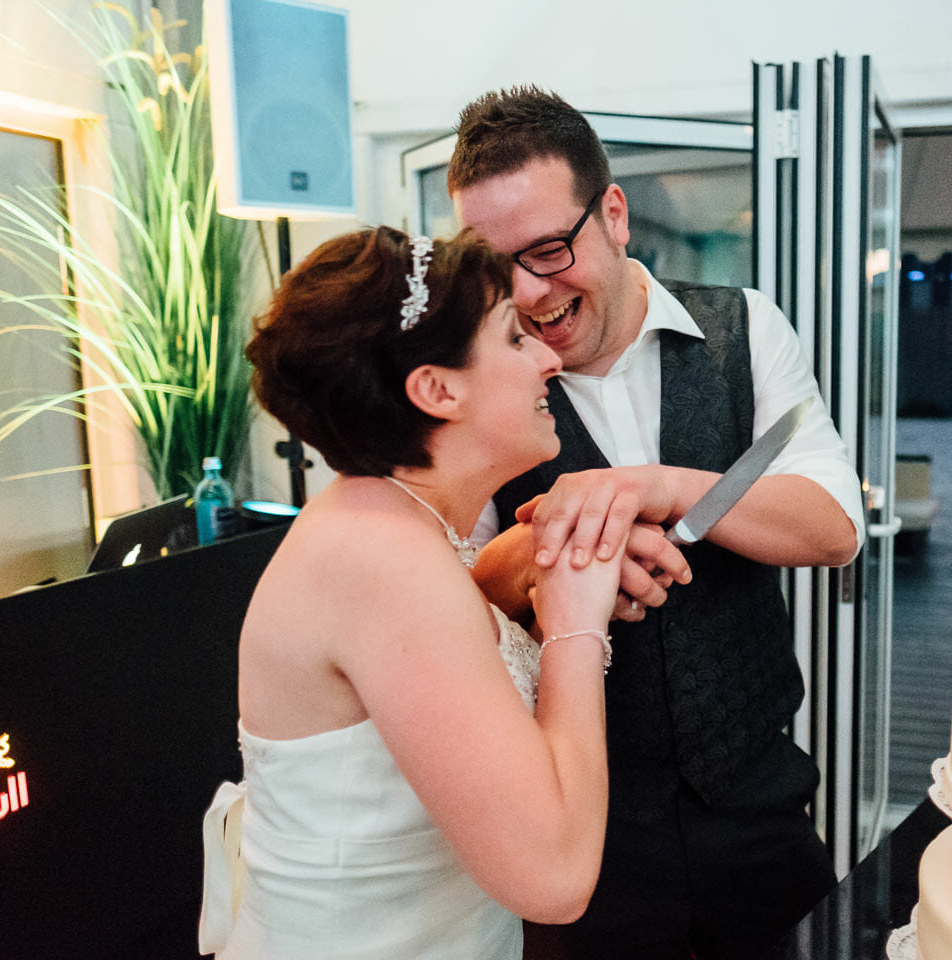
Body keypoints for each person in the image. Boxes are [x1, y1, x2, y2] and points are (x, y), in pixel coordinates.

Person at [448, 87, 867, 959]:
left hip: (758, 806)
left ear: (613, 213)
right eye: (496, 267)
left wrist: (664, 488)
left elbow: (832, 530)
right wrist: (547, 558)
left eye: (550, 250)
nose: (527, 293)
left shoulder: (746, 328)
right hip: (580, 825)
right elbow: (452, 594)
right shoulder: (477, 379)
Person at [198, 226, 685, 959]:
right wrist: (575, 621)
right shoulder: (383, 561)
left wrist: (523, 562)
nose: (550, 359)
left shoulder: (391, 521)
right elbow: (555, 880)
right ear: (436, 389)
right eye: (515, 340)